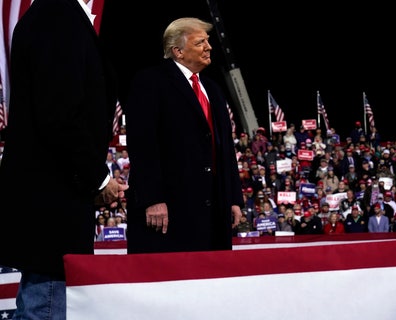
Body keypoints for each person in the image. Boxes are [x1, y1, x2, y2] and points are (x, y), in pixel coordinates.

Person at [0, 0, 128, 318]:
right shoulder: (58, 16)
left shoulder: (53, 15)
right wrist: (99, 179)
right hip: (53, 201)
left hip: (51, 197)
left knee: (41, 299)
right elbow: (60, 116)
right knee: (46, 304)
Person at [124, 17, 243, 253]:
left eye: (208, 42)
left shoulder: (214, 90)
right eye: (200, 43)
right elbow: (143, 145)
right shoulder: (150, 81)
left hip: (213, 212)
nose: (209, 47)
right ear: (177, 51)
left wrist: (233, 198)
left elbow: (225, 149)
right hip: (169, 213)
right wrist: (152, 198)